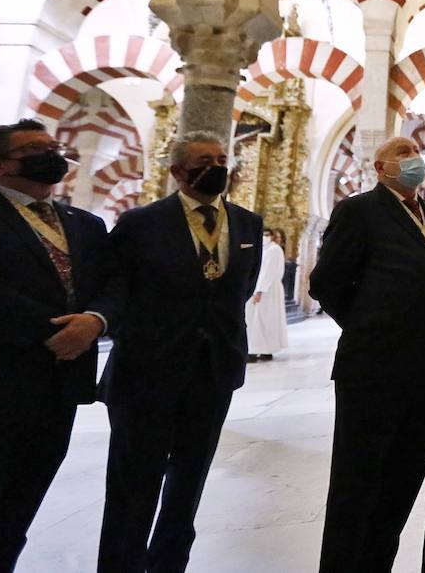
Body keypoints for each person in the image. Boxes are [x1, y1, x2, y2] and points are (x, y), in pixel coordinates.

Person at [0, 119, 120, 573]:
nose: (52, 154)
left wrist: (95, 321)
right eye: (34, 149)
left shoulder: (85, 224)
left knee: (22, 501)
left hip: (59, 386)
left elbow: (113, 284)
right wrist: (51, 332)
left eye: (53, 146)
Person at [97, 131, 264, 573]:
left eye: (221, 158)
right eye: (204, 160)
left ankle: (169, 563)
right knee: (135, 485)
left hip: (213, 371)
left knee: (189, 481)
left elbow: (238, 290)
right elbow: (118, 288)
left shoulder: (247, 223)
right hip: (147, 371)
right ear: (177, 172)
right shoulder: (141, 224)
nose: (216, 166)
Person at [309, 135, 425, 573]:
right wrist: (370, 325)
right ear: (380, 168)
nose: (413, 158)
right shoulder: (359, 211)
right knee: (358, 486)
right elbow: (326, 284)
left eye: (415, 152)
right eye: (402, 153)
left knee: (402, 483)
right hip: (373, 370)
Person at [245, 227, 288, 361]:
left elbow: (267, 272)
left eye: (267, 234)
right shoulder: (265, 249)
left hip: (267, 290)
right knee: (260, 320)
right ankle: (264, 349)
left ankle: (255, 350)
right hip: (264, 288)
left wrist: (259, 290)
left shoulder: (273, 249)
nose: (264, 237)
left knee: (261, 320)